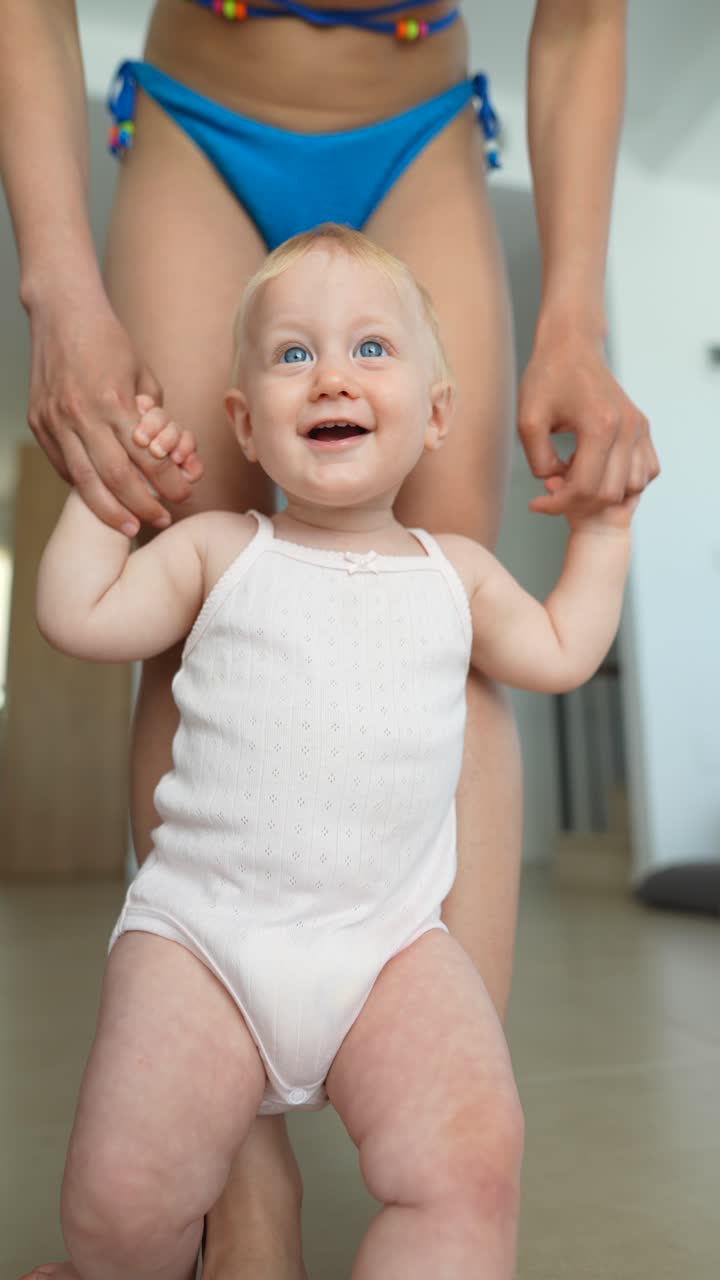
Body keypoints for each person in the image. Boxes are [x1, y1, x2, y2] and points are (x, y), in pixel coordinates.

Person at [0, 3, 658, 1277]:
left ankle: (443, 1104)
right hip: (200, 112)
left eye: (365, 358)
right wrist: (54, 281)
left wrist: (574, 314)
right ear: (258, 405)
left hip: (422, 120)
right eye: (299, 363)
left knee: (448, 607)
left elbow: (582, 19)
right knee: (185, 541)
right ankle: (244, 1186)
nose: (336, 379)